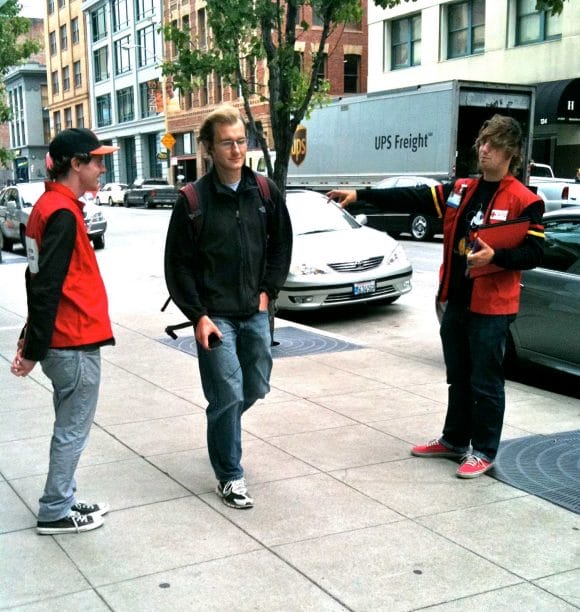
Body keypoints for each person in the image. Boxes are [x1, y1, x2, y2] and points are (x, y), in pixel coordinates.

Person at [328, 114, 544, 478]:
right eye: (482, 142)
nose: (484, 149)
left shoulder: (526, 201)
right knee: (458, 375)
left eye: (492, 144)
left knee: (485, 381)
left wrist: (498, 257)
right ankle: (454, 439)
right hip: (457, 301)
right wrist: (361, 195)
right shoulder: (463, 189)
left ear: (511, 151)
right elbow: (412, 195)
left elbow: (535, 254)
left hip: (492, 308)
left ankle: (485, 449)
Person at [164, 105, 292, 508]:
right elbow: (177, 266)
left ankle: (222, 426)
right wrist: (197, 316)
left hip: (254, 311)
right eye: (227, 143)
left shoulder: (265, 192)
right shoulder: (192, 201)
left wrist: (268, 291)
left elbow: (282, 246)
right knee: (228, 393)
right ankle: (230, 475)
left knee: (255, 386)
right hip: (214, 315)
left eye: (241, 141)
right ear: (208, 147)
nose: (236, 150)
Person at [10, 128, 118, 533]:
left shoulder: (49, 206)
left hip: (65, 340)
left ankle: (65, 497)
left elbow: (35, 278)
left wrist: (29, 339)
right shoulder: (61, 213)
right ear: (76, 164)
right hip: (73, 342)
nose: (102, 167)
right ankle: (55, 509)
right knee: (72, 430)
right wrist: (33, 349)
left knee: (67, 424)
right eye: (96, 160)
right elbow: (47, 286)